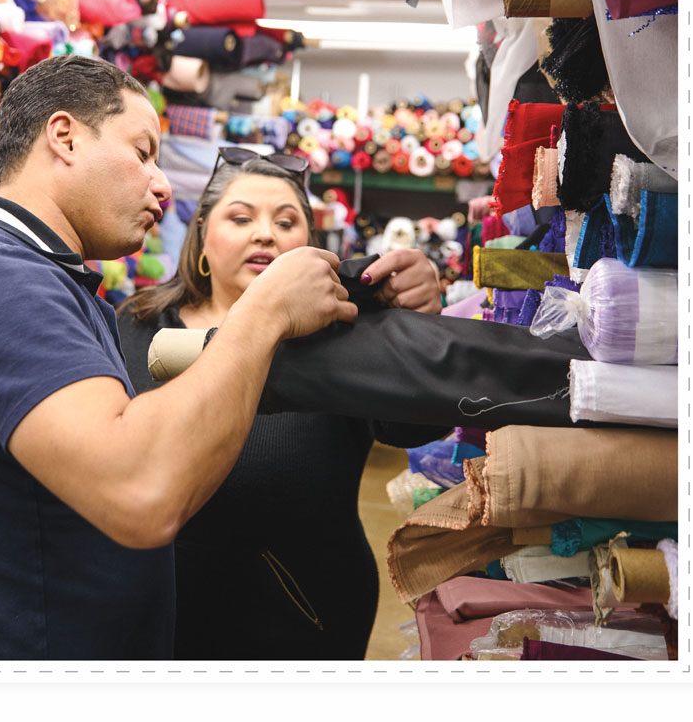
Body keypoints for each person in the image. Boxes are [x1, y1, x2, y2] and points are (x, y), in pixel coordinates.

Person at [0, 56, 358, 660]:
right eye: (143, 153)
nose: (162, 185)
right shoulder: (1, 280)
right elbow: (141, 490)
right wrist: (263, 313)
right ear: (64, 137)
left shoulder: (45, 280)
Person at [116, 147, 448, 659]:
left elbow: (415, 426)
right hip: (154, 614)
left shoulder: (342, 339)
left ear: (310, 247)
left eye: (286, 221)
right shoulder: (138, 326)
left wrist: (421, 323)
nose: (265, 234)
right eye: (241, 218)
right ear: (202, 234)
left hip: (306, 620)